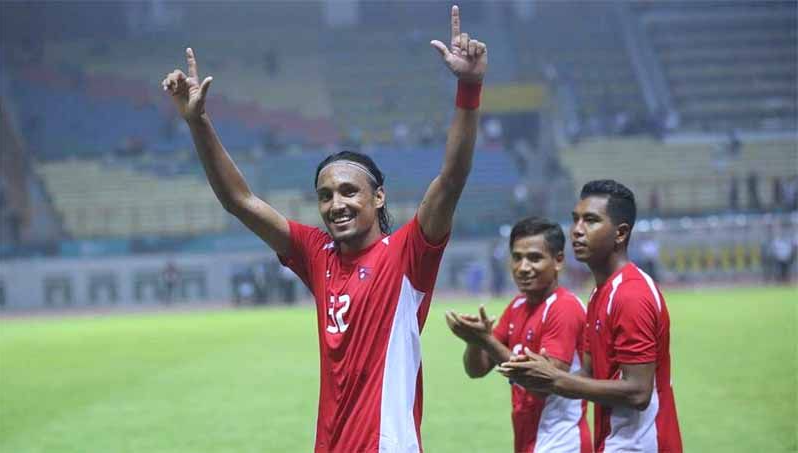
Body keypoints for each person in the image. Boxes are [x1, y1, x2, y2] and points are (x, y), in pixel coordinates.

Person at [161, 6, 487, 452]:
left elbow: (451, 178)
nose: (336, 204)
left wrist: (469, 87)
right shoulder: (317, 253)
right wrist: (198, 123)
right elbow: (239, 201)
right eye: (326, 195)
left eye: (350, 192)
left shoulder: (408, 253)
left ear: (379, 197)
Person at [497, 180, 682, 453]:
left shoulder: (631, 295)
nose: (577, 231)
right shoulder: (599, 294)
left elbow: (639, 392)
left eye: (591, 221)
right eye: (576, 220)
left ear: (620, 233)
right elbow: (588, 374)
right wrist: (536, 373)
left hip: (643, 445)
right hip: (614, 442)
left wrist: (555, 379)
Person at [445, 217, 591, 453]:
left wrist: (486, 340)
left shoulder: (564, 308)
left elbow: (543, 383)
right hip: (530, 441)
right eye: (517, 257)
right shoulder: (517, 306)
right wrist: (473, 341)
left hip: (563, 443)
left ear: (558, 261)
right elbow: (477, 369)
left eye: (534, 258)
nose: (523, 267)